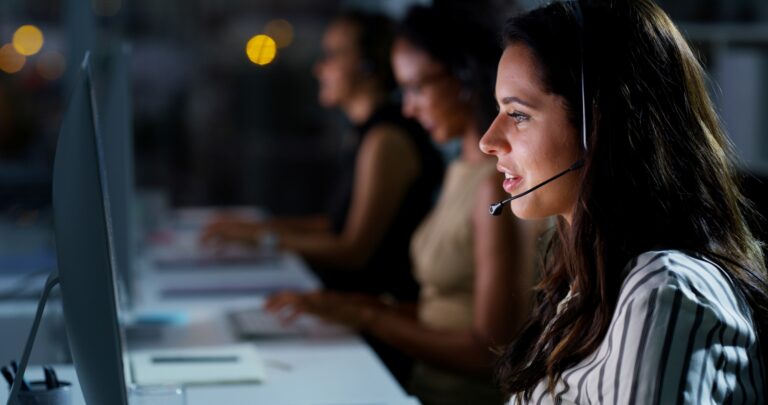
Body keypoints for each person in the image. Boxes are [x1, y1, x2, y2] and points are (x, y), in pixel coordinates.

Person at [479, 0, 768, 403]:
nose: (488, 141)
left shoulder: (665, 292)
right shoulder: (586, 282)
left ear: (599, 126)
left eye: (518, 114)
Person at [267, 5, 541, 405]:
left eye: (417, 88)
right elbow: (444, 310)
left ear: (462, 77)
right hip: (418, 387)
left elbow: (490, 352)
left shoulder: (492, 188)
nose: (408, 107)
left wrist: (370, 318)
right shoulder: (461, 170)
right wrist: (349, 305)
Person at [201, 11, 444, 302]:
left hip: (376, 306)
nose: (319, 68)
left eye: (332, 55)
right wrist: (255, 227)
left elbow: (352, 250)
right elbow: (334, 223)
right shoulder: (364, 133)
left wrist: (262, 238)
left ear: (368, 65)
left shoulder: (385, 139)